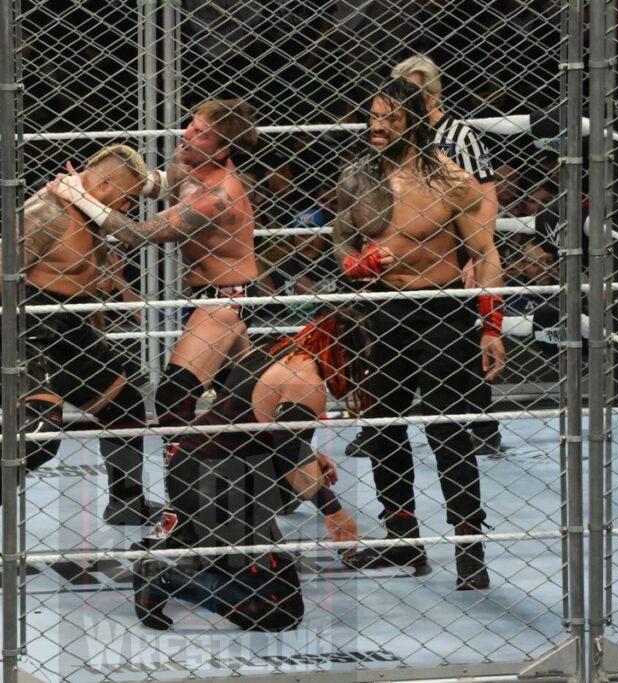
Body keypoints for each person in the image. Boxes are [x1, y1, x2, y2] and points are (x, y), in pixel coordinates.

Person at [0, 144, 161, 559]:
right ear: (106, 182)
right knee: (39, 437)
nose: (130, 205)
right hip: (24, 327)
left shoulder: (91, 211)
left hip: (69, 329)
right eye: (127, 196)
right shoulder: (45, 212)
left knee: (125, 405)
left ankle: (127, 502)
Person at [333, 78, 506, 590]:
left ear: (414, 119)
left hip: (442, 309)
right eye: (372, 116)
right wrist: (353, 262)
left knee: (447, 429)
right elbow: (339, 237)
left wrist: (492, 325)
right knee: (383, 426)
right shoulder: (356, 177)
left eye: (389, 117)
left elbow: (485, 252)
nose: (376, 126)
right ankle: (402, 540)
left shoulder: (450, 178)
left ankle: (469, 547)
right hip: (382, 313)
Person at [132, 307, 383, 632]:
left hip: (202, 467)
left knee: (281, 584)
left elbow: (272, 429)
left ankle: (188, 544)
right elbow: (290, 458)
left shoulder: (279, 349)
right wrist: (334, 512)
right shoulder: (306, 384)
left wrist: (308, 451)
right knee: (281, 614)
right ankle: (166, 578)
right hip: (221, 486)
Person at [48, 98, 259, 466]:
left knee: (173, 399)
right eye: (191, 125)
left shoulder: (219, 197)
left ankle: (185, 496)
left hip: (226, 301)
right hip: (209, 298)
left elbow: (141, 235)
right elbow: (159, 184)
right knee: (246, 400)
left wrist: (81, 196)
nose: (187, 136)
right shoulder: (190, 165)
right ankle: (280, 490)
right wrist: (100, 182)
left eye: (201, 134)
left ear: (223, 149)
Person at [389, 54, 505, 458]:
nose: (411, 99)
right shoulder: (390, 136)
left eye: (417, 91)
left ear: (434, 95)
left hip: (455, 246)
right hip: (406, 253)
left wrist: (478, 253)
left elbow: (484, 198)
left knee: (457, 336)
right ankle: (383, 426)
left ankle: (482, 421)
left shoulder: (459, 136)